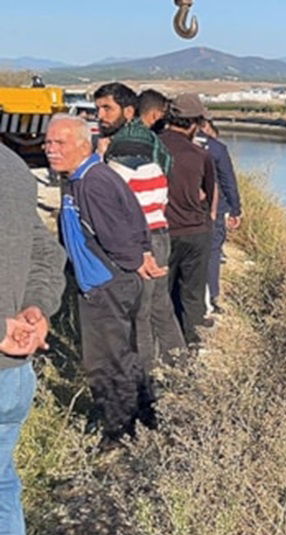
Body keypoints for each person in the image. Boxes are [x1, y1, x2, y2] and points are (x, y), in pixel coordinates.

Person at [44, 114, 152, 441]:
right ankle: (143, 414)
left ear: (82, 144)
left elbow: (120, 235)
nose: (50, 149)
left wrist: (132, 261)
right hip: (105, 283)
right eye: (47, 142)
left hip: (107, 286)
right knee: (120, 354)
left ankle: (117, 431)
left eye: (59, 143)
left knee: (105, 363)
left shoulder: (93, 182)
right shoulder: (82, 177)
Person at [0, 142, 65, 535]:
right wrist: (36, 310)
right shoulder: (13, 166)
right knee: (2, 492)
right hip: (14, 374)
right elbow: (46, 252)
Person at [93, 83, 186, 367]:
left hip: (139, 238)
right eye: (98, 108)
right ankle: (180, 366)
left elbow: (108, 203)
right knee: (160, 305)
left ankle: (146, 376)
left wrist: (98, 159)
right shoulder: (154, 153)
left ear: (129, 111)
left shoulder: (120, 157)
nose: (100, 115)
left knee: (139, 311)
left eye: (106, 108)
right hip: (161, 233)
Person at [158, 94, 216, 344]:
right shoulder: (200, 155)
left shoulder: (153, 148)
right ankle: (192, 346)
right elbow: (211, 195)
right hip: (196, 232)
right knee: (192, 295)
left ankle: (164, 349)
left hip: (162, 232)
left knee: (161, 295)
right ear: (194, 123)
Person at [195, 119, 241, 314]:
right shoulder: (217, 149)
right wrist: (235, 209)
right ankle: (212, 297)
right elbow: (228, 180)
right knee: (213, 252)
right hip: (216, 208)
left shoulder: (168, 144)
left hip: (182, 209)